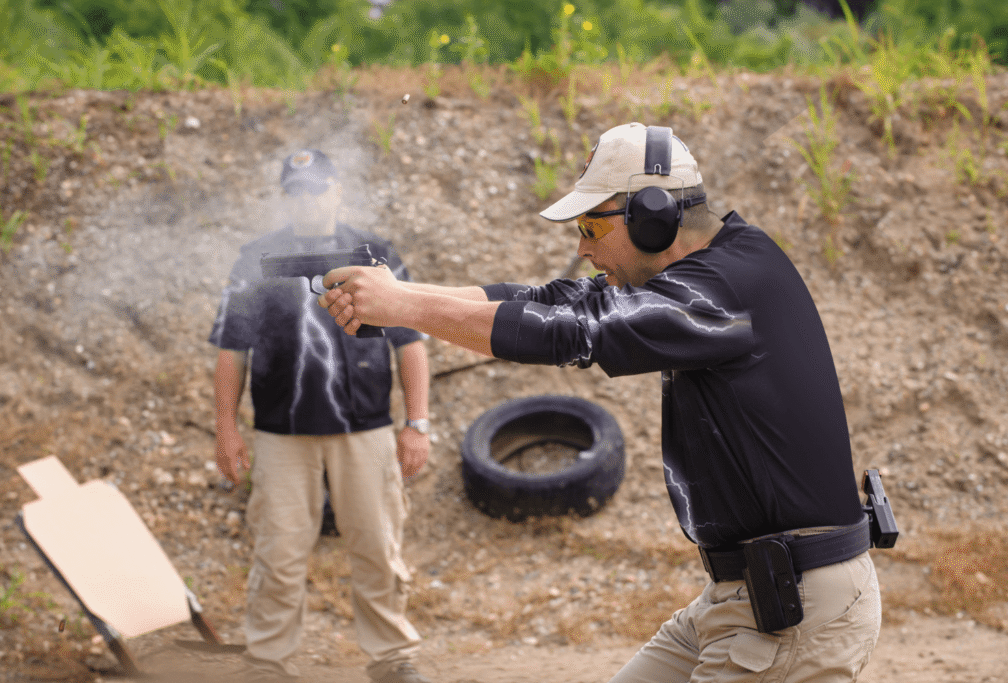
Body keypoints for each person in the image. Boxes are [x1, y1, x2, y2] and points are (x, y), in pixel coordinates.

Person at [320, 123, 882, 682]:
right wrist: (401, 295)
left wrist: (406, 309)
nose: (583, 247)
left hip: (798, 606)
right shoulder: (715, 273)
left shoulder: (726, 285)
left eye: (592, 225)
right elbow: (552, 299)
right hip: (745, 596)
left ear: (653, 215)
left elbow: (570, 329)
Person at [210, 149, 433, 683]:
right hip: (282, 432)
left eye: (317, 188)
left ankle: (392, 659)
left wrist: (417, 423)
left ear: (336, 189)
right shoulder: (256, 257)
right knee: (278, 552)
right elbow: (231, 349)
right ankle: (267, 661)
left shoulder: (375, 253)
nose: (308, 199)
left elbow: (411, 342)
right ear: (285, 196)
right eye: (297, 190)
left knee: (378, 546)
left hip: (366, 427)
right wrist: (225, 427)